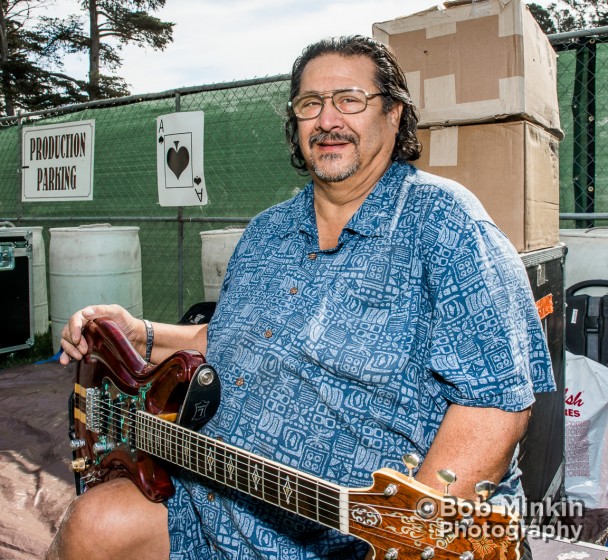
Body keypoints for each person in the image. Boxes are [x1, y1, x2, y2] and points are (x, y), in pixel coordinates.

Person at [47, 35, 555, 560]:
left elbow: (495, 404)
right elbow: (232, 337)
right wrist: (139, 333)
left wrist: (408, 538)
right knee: (89, 526)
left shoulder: (447, 225)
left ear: (396, 114)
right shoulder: (267, 231)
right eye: (310, 104)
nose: (328, 120)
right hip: (215, 503)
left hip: (352, 539)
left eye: (349, 100)